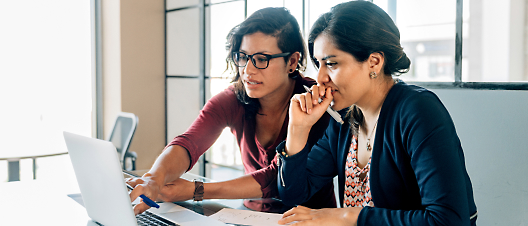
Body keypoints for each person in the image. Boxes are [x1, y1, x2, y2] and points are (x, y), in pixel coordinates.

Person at [275, 1, 478, 225]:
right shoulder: (344, 119)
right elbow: (293, 195)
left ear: (374, 62)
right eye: (318, 64)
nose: (321, 77)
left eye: (331, 63)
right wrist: (297, 129)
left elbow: (448, 220)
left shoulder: (418, 111)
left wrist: (347, 216)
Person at [126, 7, 336, 215]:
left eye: (261, 59)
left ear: (291, 61)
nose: (248, 70)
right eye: (243, 57)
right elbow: (189, 142)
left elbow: (276, 178)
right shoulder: (235, 97)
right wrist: (154, 178)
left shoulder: (315, 103)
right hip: (247, 215)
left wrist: (196, 190)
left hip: (310, 217)